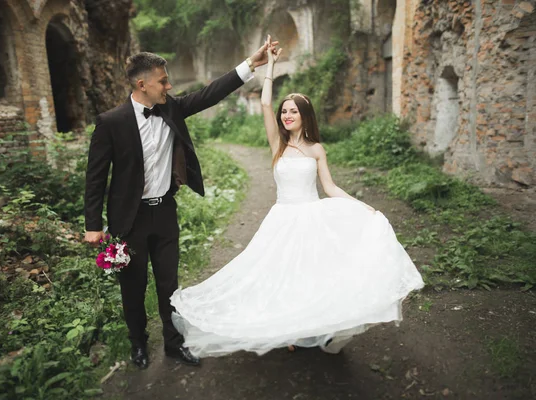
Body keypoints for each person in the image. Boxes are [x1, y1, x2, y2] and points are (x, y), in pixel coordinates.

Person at [170, 36, 425, 357]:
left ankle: (315, 326)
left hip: (313, 215)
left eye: (293, 111)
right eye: (285, 111)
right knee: (279, 274)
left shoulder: (317, 149)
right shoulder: (278, 145)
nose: (287, 115)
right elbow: (264, 104)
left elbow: (330, 188)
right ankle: (288, 328)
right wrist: (271, 67)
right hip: (282, 218)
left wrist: (365, 208)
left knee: (313, 275)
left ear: (305, 115)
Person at [84, 41, 278, 369]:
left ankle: (174, 344)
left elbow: (209, 93)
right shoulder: (111, 122)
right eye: (163, 81)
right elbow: (95, 177)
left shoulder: (171, 108)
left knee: (168, 284)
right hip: (128, 220)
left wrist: (250, 63)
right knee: (132, 286)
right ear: (141, 84)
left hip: (165, 213)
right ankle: (138, 344)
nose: (169, 86)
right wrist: (92, 225)